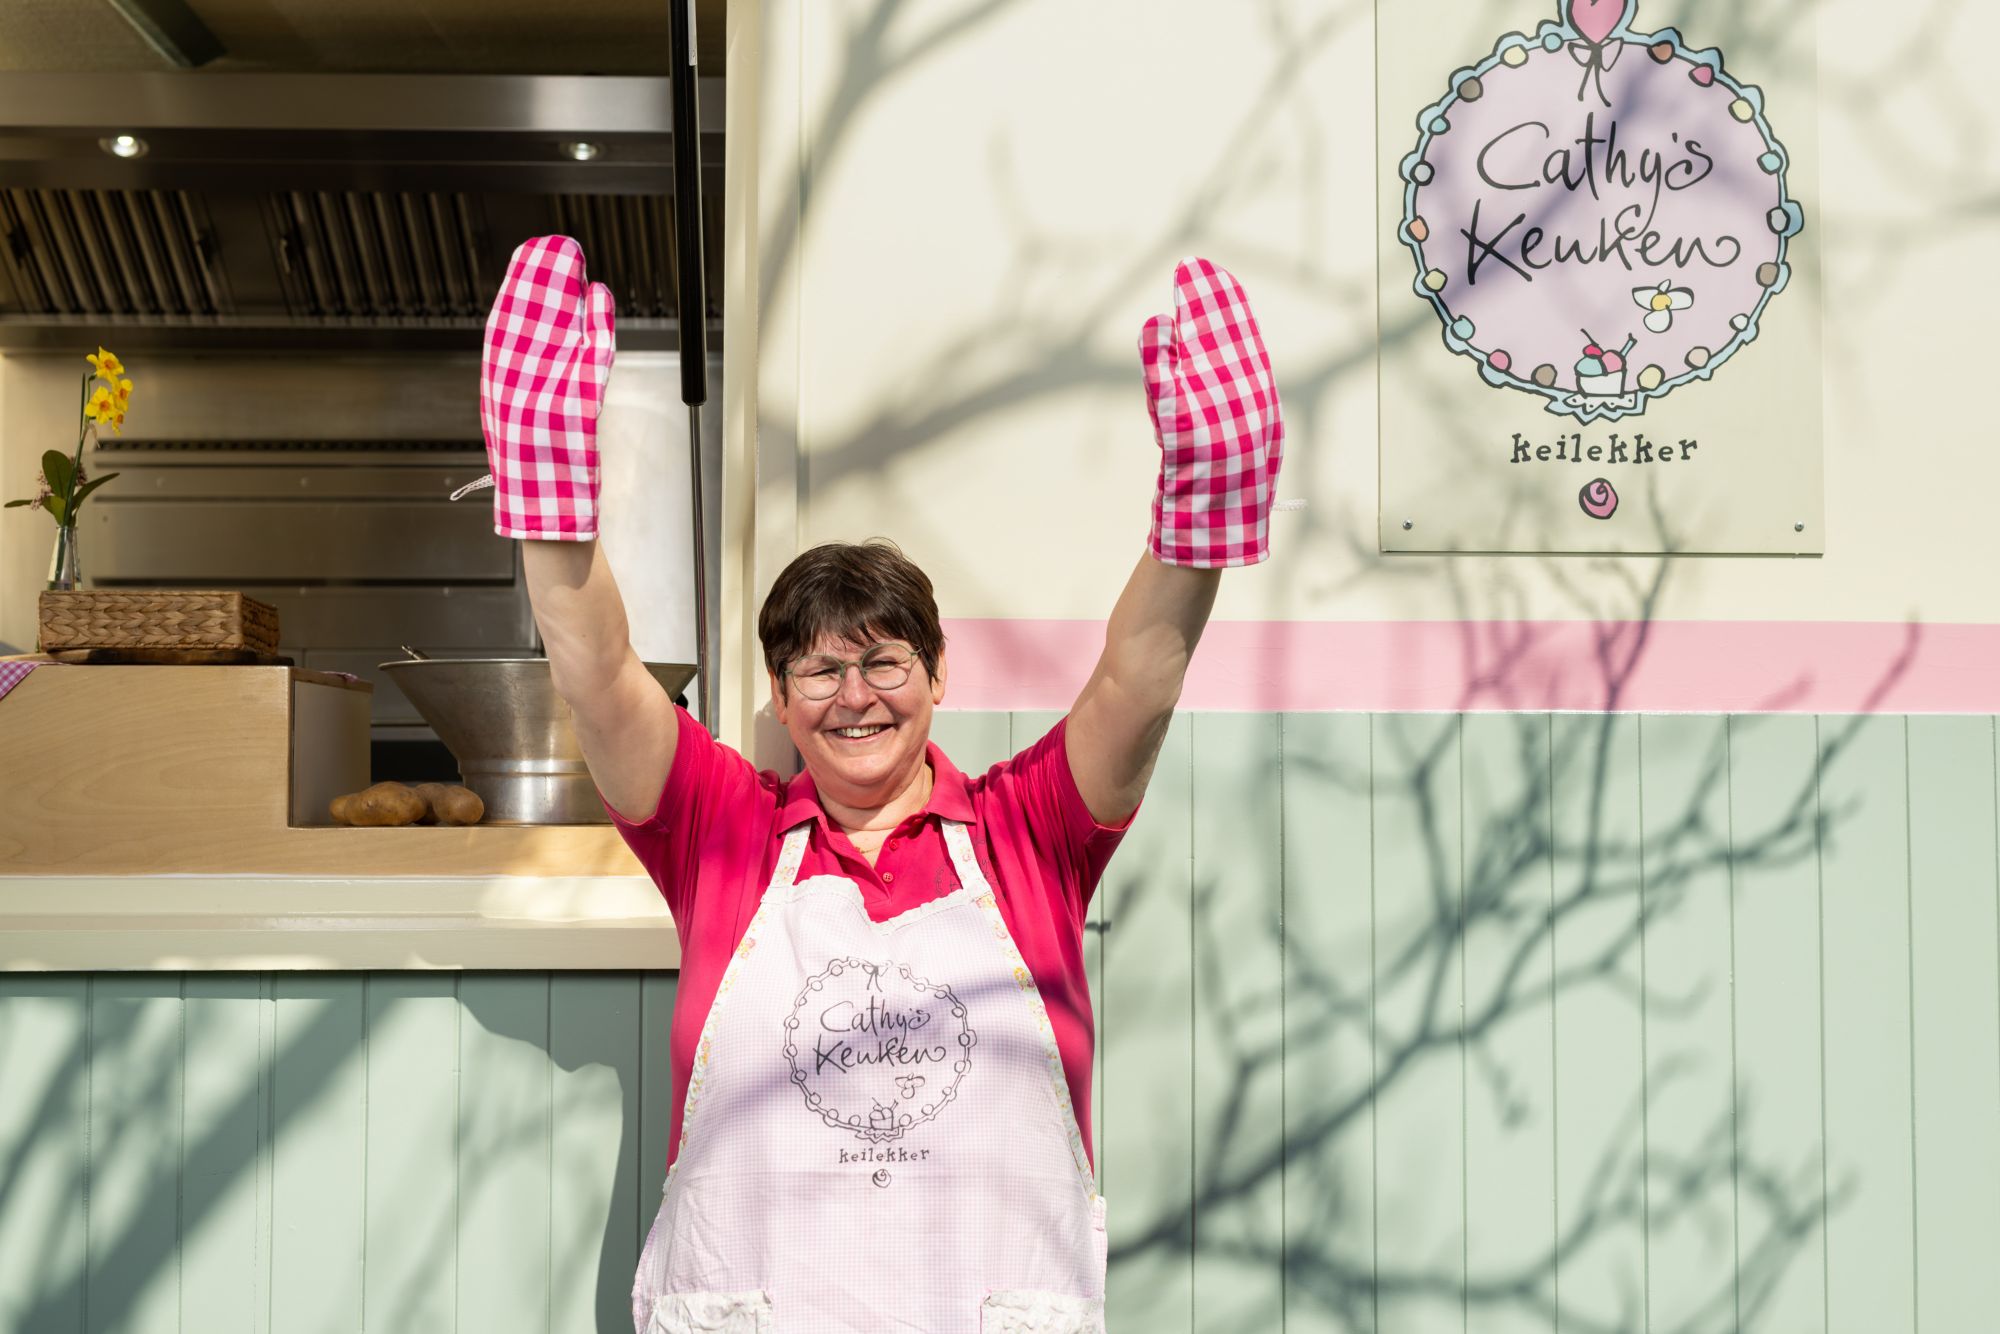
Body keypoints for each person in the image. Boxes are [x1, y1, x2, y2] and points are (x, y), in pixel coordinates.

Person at [479, 236, 1282, 1334]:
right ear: (779, 688)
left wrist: (1197, 531)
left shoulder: (1027, 829)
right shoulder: (722, 831)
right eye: (817, 666)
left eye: (884, 659)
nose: (853, 694)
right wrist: (549, 514)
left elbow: (1134, 681)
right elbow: (603, 679)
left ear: (937, 673)